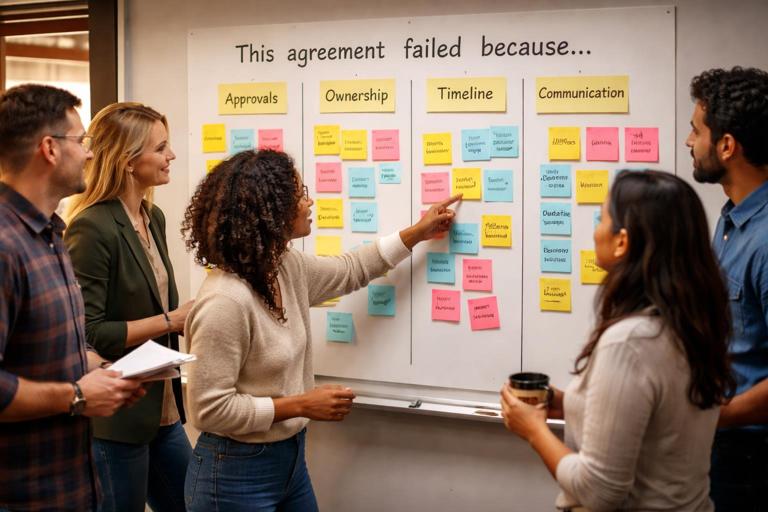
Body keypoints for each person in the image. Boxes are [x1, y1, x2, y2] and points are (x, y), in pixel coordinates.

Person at [181, 149, 460, 511]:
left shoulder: (282, 267)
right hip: (233, 472)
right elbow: (208, 410)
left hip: (289, 460)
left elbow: (350, 269)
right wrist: (300, 404)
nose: (309, 201)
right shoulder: (226, 301)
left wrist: (417, 234)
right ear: (272, 208)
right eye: (299, 194)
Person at [500, 170, 734, 511]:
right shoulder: (692, 323)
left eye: (601, 219)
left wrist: (534, 430)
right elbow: (655, 418)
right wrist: (567, 404)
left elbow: (599, 491)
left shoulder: (629, 343)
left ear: (622, 241)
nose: (595, 231)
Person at [0, 85, 145, 511]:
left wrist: (109, 373)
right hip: (21, 496)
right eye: (81, 141)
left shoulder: (50, 234)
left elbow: (51, 350)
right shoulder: (5, 245)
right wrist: (77, 397)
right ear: (49, 148)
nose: (89, 154)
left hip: (73, 488)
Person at [64, 102, 194, 512]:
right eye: (161, 147)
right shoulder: (92, 227)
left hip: (163, 407)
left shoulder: (152, 216)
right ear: (127, 161)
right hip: (117, 419)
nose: (171, 156)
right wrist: (171, 320)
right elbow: (89, 332)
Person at [686, 66, 768, 511]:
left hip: (753, 457)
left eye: (696, 130)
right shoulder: (732, 220)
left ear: (727, 145)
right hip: (726, 445)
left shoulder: (766, 238)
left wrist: (714, 416)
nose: (688, 142)